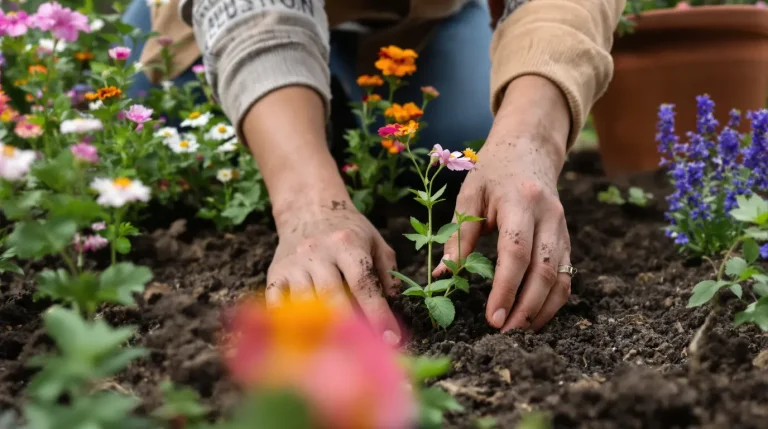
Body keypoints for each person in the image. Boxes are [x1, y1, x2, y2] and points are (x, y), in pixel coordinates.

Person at [130, 0, 624, 346]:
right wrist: (308, 204)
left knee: (465, 136)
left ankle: (343, 107)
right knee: (151, 130)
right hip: (223, 21)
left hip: (415, 20)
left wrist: (530, 140)